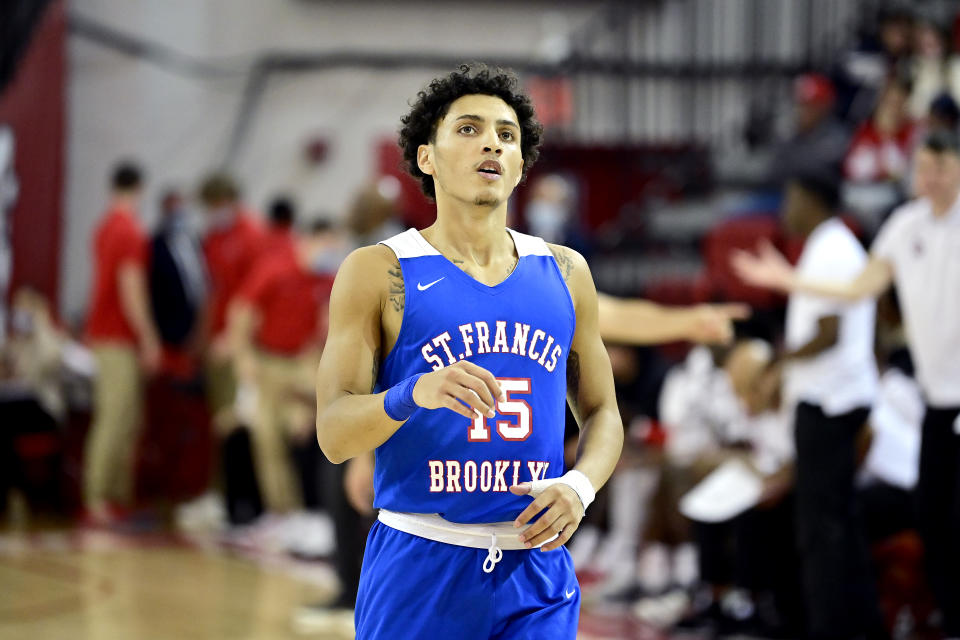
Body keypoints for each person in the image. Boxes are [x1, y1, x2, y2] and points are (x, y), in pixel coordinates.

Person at [314, 64, 624, 639]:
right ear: (426, 157)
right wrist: (413, 393)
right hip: (421, 562)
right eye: (469, 129)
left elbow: (603, 413)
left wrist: (580, 487)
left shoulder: (564, 271)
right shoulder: (379, 270)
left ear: (521, 164)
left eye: (508, 135)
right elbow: (333, 433)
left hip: (536, 570)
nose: (492, 143)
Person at [732, 130, 960, 638]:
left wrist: (779, 363)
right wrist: (787, 281)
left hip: (841, 401)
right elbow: (856, 293)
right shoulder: (901, 226)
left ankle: (842, 626)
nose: (929, 179)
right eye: (922, 168)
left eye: (941, 168)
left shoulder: (834, 245)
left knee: (832, 529)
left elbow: (834, 328)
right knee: (913, 523)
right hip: (917, 400)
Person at [83, 161, 160, 525]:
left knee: (124, 419)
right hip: (116, 338)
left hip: (106, 335)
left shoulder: (104, 226)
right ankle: (98, 499)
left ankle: (114, 497)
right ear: (139, 188)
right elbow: (131, 290)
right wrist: (148, 338)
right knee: (115, 420)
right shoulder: (128, 230)